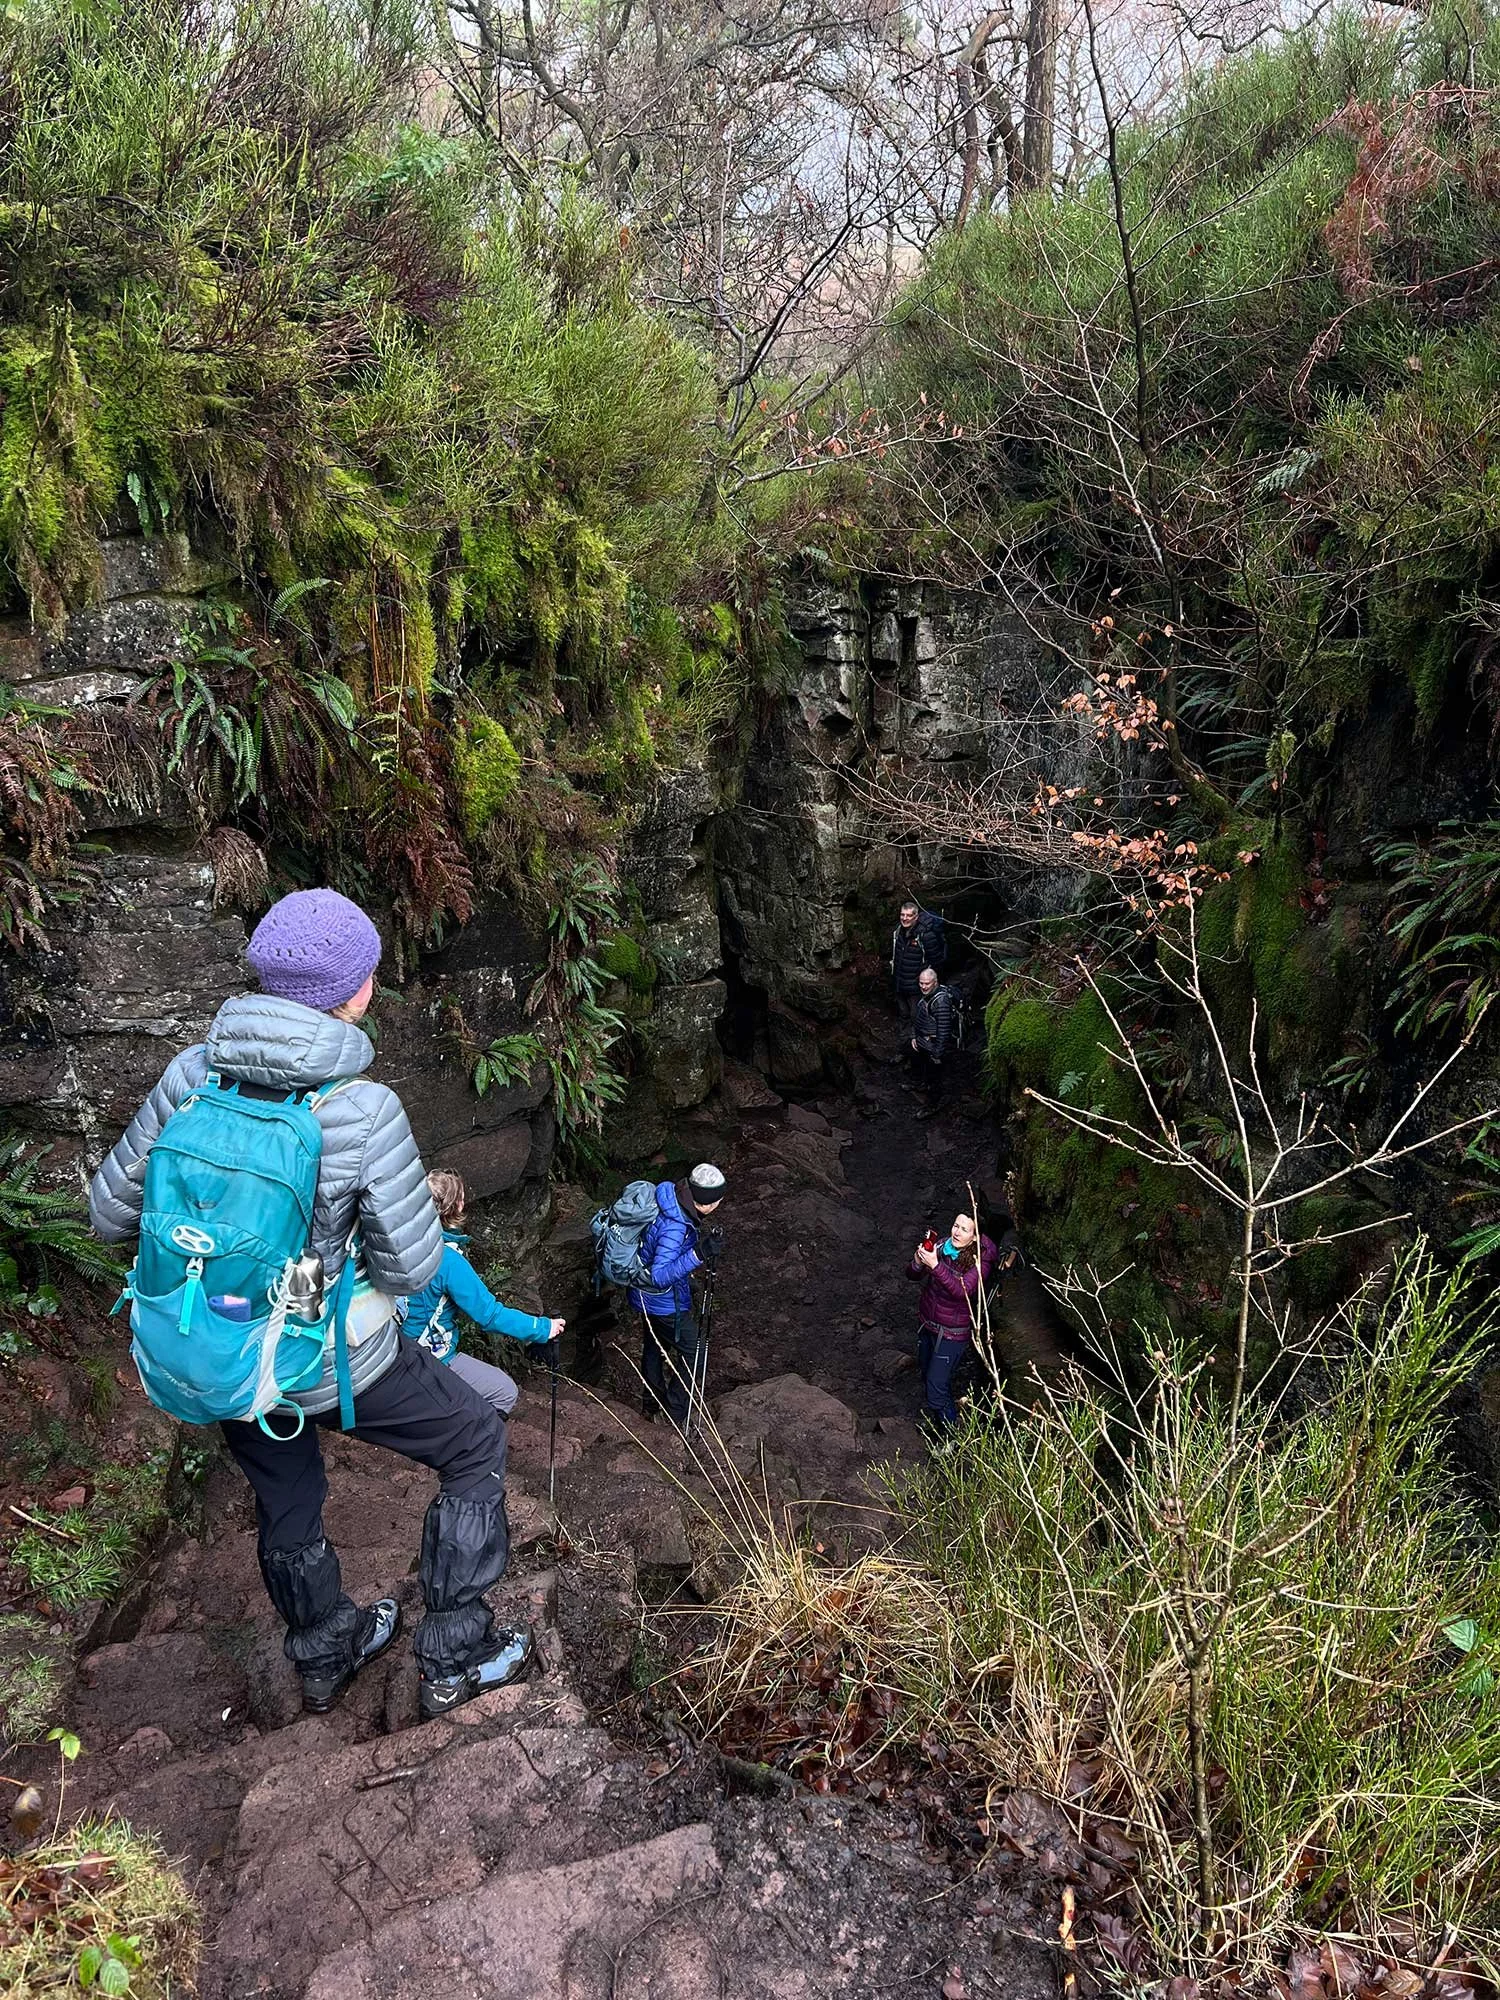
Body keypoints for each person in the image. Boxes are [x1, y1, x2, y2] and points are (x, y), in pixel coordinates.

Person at [89, 888, 532, 1722]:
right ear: (357, 991)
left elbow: (108, 1213)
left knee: (286, 1495)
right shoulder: (361, 1109)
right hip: (332, 1359)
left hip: (223, 1344)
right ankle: (455, 1656)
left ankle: (327, 1652)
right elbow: (408, 1269)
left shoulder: (191, 1075)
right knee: (474, 1441)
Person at [404, 1170, 565, 1414]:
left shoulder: (395, 1242)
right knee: (504, 1392)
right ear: (457, 1206)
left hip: (390, 1349)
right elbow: (489, 1316)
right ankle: (460, 1439)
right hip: (425, 1358)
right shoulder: (448, 1261)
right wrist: (543, 1328)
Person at [627, 1163, 726, 1430]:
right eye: (717, 1199)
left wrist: (687, 1277)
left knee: (654, 1347)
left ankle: (650, 1406)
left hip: (642, 1295)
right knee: (697, 1353)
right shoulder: (675, 1226)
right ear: (707, 1203)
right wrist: (699, 1255)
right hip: (661, 1301)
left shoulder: (670, 1197)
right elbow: (660, 1275)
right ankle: (672, 1414)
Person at [908, 1211, 999, 1434]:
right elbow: (911, 1275)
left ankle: (950, 1436)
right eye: (956, 1226)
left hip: (952, 1334)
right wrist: (919, 1262)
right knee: (928, 1376)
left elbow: (963, 1290)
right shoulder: (942, 1246)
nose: (957, 1232)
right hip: (929, 1324)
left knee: (936, 1385)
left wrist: (936, 1266)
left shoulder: (981, 1260)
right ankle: (939, 1423)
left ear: (975, 1237)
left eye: (965, 1229)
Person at [891, 897, 946, 1028]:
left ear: (916, 917)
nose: (905, 918)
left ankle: (917, 1041)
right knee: (903, 1012)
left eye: (909, 915)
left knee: (916, 1016)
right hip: (900, 982)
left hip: (916, 986)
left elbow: (936, 960)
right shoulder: (898, 931)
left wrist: (926, 982)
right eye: (902, 915)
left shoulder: (926, 935)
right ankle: (903, 1038)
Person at [910, 966, 952, 1119]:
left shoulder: (940, 1001)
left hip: (933, 1045)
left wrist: (937, 1053)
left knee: (936, 1077)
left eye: (927, 984)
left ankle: (933, 1104)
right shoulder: (927, 996)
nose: (923, 987)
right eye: (921, 983)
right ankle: (923, 1085)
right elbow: (918, 1017)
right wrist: (914, 1036)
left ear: (935, 982)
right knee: (925, 1069)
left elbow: (944, 1029)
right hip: (924, 1042)